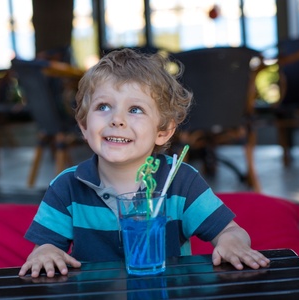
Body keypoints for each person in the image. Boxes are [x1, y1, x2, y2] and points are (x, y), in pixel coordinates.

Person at [19, 48, 270, 278]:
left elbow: (231, 230)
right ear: (84, 126)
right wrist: (44, 253)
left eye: (135, 109)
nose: (117, 119)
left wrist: (230, 242)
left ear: (163, 131)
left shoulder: (180, 180)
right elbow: (45, 246)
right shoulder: (67, 186)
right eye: (103, 106)